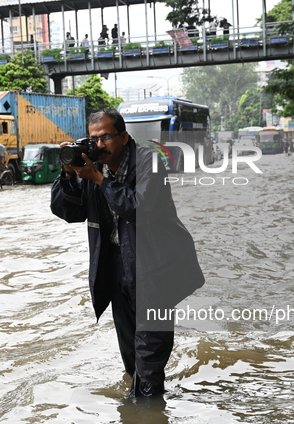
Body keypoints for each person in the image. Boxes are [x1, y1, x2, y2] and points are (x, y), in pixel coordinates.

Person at [51, 110, 204, 397]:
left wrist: (99, 180)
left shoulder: (149, 162)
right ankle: (144, 420)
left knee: (148, 358)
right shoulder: (93, 166)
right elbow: (69, 213)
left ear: (123, 137)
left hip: (154, 272)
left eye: (106, 137)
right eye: (93, 139)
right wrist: (69, 175)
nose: (99, 145)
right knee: (132, 359)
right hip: (117, 271)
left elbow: (140, 208)